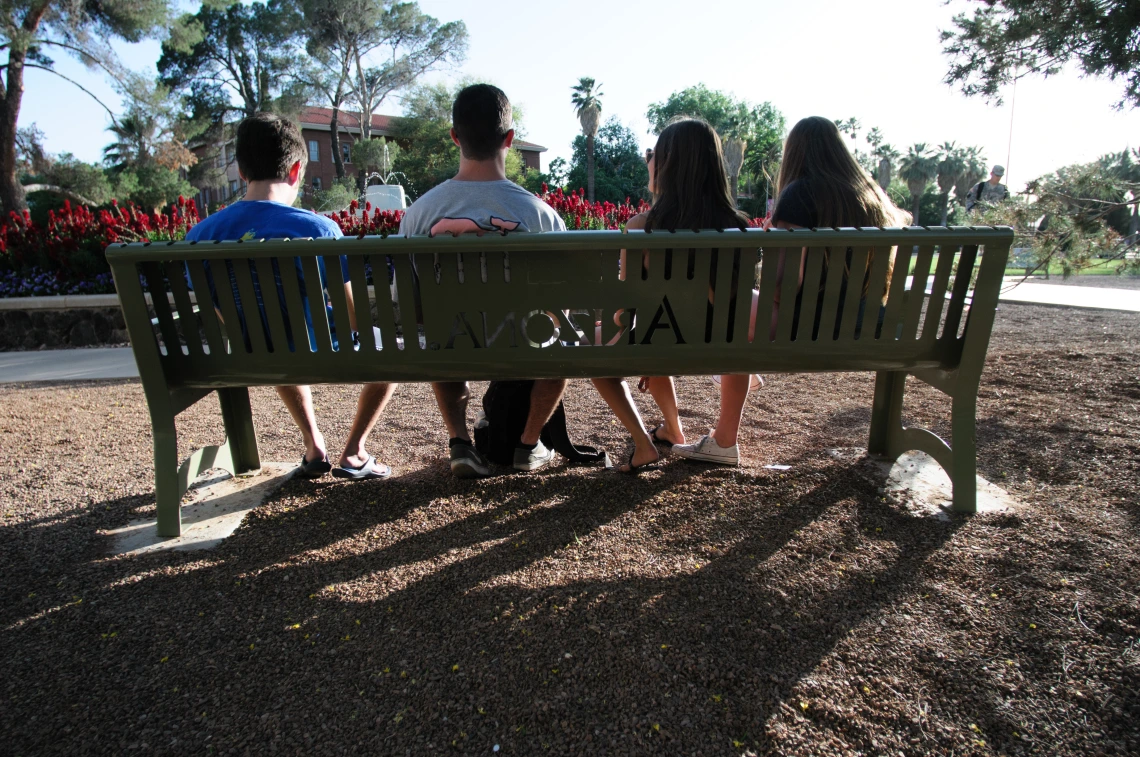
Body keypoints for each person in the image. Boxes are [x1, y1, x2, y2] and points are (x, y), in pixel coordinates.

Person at [674, 115, 907, 466]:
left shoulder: (799, 195)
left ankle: (724, 439)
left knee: (729, 305)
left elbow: (782, 288)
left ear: (795, 153)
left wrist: (771, 249)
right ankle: (738, 379)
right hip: (873, 327)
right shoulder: (873, 199)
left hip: (812, 328)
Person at [185, 112, 396, 480]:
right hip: (316, 348)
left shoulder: (200, 234)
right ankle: (354, 452)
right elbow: (354, 320)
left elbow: (219, 308)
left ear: (242, 170)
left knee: (273, 336)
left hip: (253, 349)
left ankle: (315, 447)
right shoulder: (318, 229)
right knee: (389, 346)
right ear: (297, 170)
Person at [397, 84, 568, 477]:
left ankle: (460, 443)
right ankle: (528, 445)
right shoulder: (542, 216)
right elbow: (560, 310)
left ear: (455, 137)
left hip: (451, 340)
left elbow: (412, 303)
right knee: (558, 345)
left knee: (440, 329)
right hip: (522, 340)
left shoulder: (418, 215)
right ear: (509, 139)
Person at [592, 117, 754, 473]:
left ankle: (643, 444)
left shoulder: (640, 228)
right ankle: (673, 429)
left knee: (598, 347)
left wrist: (630, 331)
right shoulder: (738, 227)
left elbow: (628, 307)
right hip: (725, 344)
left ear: (667, 166)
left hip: (658, 337)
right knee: (653, 329)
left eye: (654, 155)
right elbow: (734, 304)